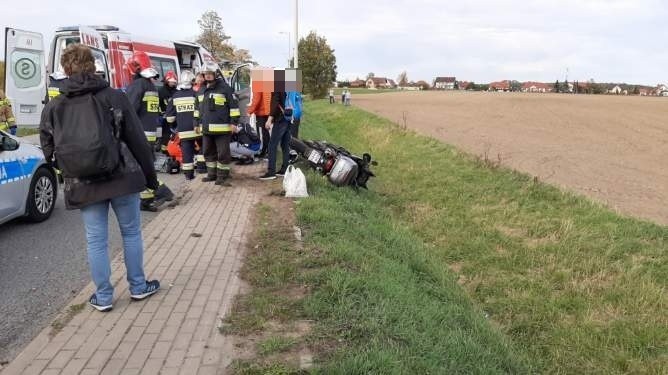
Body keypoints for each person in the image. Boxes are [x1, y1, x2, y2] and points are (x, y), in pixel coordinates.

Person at [39, 44, 160, 312]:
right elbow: (138, 141)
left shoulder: (55, 105)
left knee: (96, 240)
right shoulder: (115, 97)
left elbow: (47, 147)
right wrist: (151, 179)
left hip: (84, 184)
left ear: (66, 68)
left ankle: (103, 297)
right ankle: (138, 287)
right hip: (122, 177)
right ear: (93, 65)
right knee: (130, 233)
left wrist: (69, 169)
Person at [125, 51, 174, 211]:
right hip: (150, 133)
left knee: (140, 168)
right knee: (144, 165)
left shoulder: (137, 85)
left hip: (139, 134)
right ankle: (146, 200)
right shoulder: (150, 85)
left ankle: (162, 190)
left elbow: (129, 111)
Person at [197, 62, 240, 185]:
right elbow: (197, 109)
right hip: (206, 129)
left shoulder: (225, 88)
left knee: (223, 153)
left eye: (210, 74)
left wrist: (234, 123)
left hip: (222, 129)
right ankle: (212, 174)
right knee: (208, 152)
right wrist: (196, 123)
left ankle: (222, 176)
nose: (208, 76)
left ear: (215, 74)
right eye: (206, 74)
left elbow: (234, 107)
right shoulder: (201, 89)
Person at [165, 70, 199, 180]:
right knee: (202, 150)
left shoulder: (175, 96)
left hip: (183, 130)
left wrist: (175, 125)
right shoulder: (196, 95)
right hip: (197, 128)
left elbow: (170, 118)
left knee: (186, 153)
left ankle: (189, 176)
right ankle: (203, 171)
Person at [259, 90, 291, 180]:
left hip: (280, 118)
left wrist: (269, 119)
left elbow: (275, 103)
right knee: (285, 145)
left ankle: (271, 172)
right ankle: (285, 169)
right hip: (289, 117)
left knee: (272, 145)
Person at [246, 90, 271, 158]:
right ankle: (268, 151)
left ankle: (262, 151)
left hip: (261, 111)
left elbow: (256, 99)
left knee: (262, 133)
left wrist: (249, 111)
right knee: (266, 132)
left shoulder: (258, 80)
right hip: (268, 110)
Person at [158, 70, 178, 154]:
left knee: (173, 134)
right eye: (171, 82)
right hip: (164, 117)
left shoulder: (176, 92)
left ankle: (171, 149)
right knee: (165, 133)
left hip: (175, 117)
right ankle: (164, 150)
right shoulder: (161, 91)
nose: (172, 84)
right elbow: (158, 103)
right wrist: (160, 113)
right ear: (166, 81)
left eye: (174, 82)